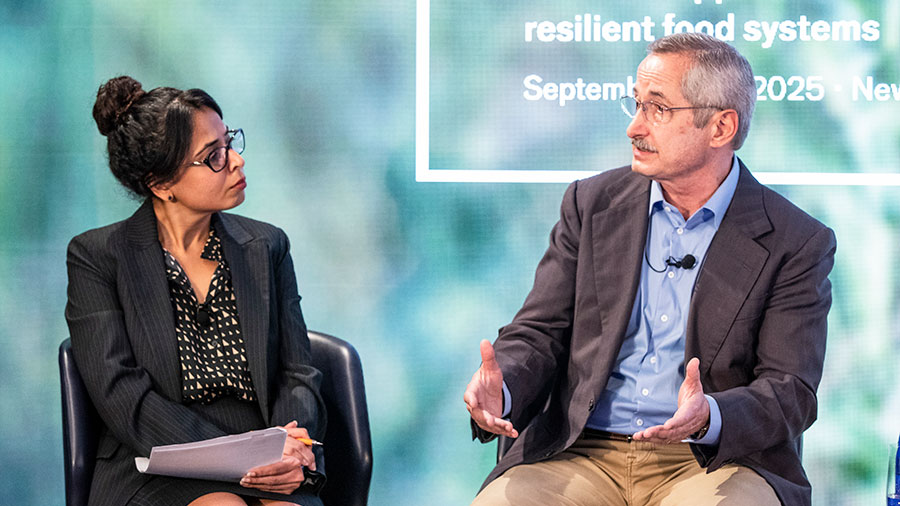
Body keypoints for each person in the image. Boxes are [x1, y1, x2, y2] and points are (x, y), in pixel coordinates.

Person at [464, 33, 835, 506]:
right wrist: (505, 389)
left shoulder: (795, 240)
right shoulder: (591, 204)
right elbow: (539, 332)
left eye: (658, 109)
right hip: (580, 451)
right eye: (636, 104)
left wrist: (709, 415)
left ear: (720, 127)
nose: (634, 128)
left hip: (715, 462)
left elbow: (790, 391)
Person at [66, 76, 326, 506]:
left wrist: (288, 447)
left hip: (269, 452)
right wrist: (236, 456)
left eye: (231, 142)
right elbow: (123, 396)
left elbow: (297, 372)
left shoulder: (268, 246)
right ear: (160, 183)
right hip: (157, 460)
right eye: (214, 156)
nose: (237, 161)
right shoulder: (97, 258)